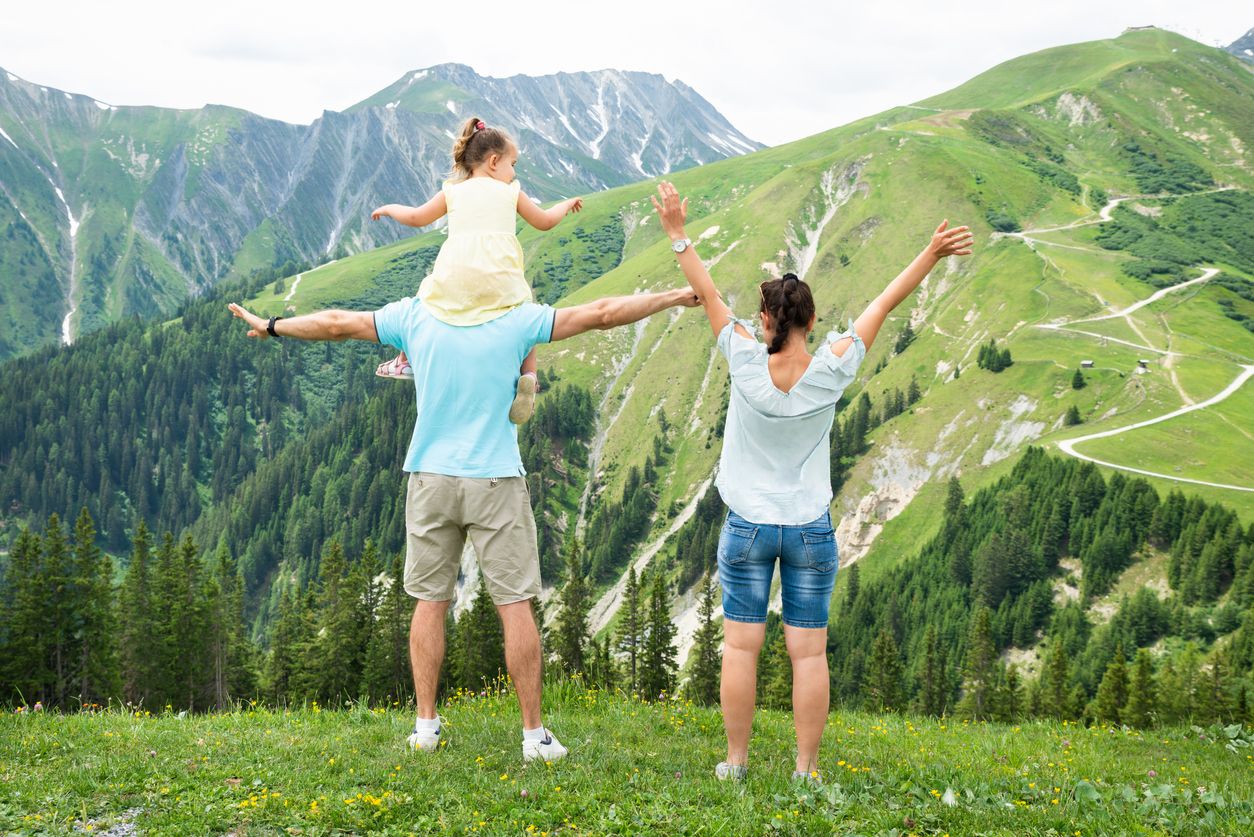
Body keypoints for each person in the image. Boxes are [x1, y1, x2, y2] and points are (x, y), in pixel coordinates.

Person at [227, 283, 698, 761]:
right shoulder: (516, 319)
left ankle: (425, 728)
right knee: (515, 605)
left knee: (429, 602)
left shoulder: (415, 316)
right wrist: (673, 297)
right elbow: (603, 311)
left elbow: (335, 324)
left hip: (431, 477)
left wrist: (271, 326)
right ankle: (534, 737)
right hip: (495, 478)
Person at [650, 180, 972, 782]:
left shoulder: (744, 356)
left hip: (748, 525)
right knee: (810, 654)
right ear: (813, 319)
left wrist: (676, 233)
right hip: (809, 529)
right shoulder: (832, 368)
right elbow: (884, 303)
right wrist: (931, 253)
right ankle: (806, 769)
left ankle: (736, 763)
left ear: (767, 318)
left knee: (741, 649)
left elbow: (706, 290)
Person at [370, 117, 583, 423]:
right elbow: (544, 222)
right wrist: (566, 205)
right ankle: (530, 375)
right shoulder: (512, 192)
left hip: (456, 280)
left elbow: (417, 217)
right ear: (494, 161)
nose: (515, 172)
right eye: (513, 164)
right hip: (501, 281)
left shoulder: (453, 192)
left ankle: (405, 360)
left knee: (422, 304)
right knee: (526, 314)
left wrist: (388, 208)